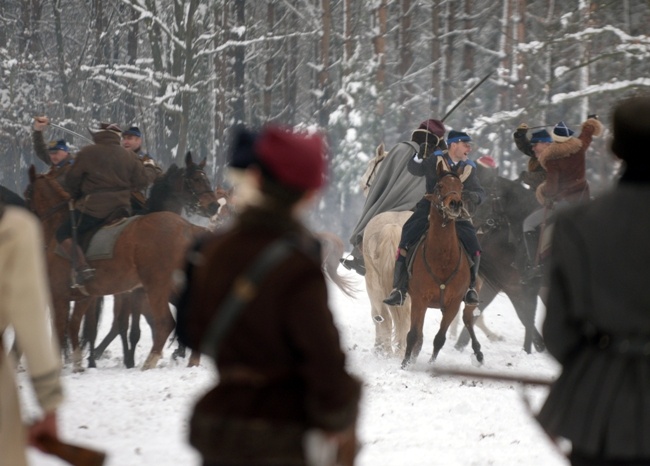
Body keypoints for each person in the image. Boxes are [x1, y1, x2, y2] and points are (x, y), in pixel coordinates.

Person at [175, 125, 361, 466]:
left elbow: (190, 333)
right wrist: (339, 416)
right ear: (309, 195)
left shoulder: (210, 250)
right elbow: (323, 357)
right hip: (281, 430)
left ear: (256, 181)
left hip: (221, 425)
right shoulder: (297, 260)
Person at [537, 95, 650, 466]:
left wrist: (596, 368)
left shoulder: (576, 224)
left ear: (616, 149)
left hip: (600, 411)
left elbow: (557, 332)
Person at [383, 130, 486, 306]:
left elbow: (479, 191)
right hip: (429, 208)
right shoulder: (435, 159)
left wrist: (475, 196)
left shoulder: (469, 168)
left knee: (474, 246)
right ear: (454, 145)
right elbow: (415, 169)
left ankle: (470, 289)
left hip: (457, 212)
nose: (469, 148)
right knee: (406, 238)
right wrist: (419, 155)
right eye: (465, 144)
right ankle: (399, 289)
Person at [0, 201, 64, 466]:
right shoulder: (14, 226)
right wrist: (49, 401)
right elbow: (31, 320)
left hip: (98, 206)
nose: (57, 155)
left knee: (73, 229)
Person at [341, 119, 445, 276]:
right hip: (418, 204)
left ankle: (360, 254)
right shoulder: (435, 158)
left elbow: (383, 180)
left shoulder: (400, 149)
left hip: (392, 200)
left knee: (376, 212)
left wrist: (386, 194)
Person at [56, 123, 151, 285]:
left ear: (97, 135)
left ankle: (82, 267)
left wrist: (77, 195)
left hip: (93, 209)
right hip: (122, 209)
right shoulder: (129, 155)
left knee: (62, 233)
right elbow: (142, 181)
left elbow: (71, 180)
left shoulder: (87, 152)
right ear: (117, 137)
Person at [520, 116, 603, 281]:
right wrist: (591, 122)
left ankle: (536, 265)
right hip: (583, 199)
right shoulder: (579, 148)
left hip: (564, 203)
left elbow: (551, 188)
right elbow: (587, 134)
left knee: (528, 224)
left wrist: (543, 193)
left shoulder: (553, 160)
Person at [121, 126, 162, 213]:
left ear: (138, 141)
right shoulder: (118, 156)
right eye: (124, 138)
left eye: (129, 138)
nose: (125, 142)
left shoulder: (146, 160)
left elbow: (159, 177)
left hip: (139, 204)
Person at [32, 116, 74, 186]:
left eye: (55, 152)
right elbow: (40, 150)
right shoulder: (56, 163)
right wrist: (37, 131)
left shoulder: (75, 166)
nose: (52, 156)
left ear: (65, 152)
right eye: (50, 153)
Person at [513, 124, 551, 191]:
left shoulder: (556, 158)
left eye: (535, 145)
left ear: (546, 144)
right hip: (536, 196)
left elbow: (546, 177)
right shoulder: (540, 154)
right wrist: (520, 135)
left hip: (553, 199)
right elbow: (525, 146)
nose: (532, 148)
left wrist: (525, 176)